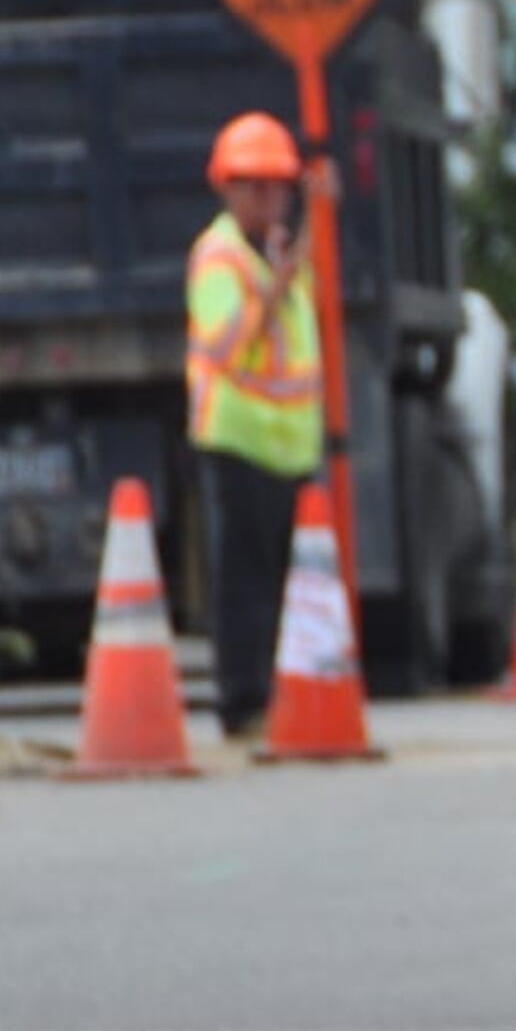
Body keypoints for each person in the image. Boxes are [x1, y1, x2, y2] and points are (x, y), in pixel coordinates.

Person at [186, 112, 324, 742]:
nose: (270, 197)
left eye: (279, 185)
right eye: (255, 185)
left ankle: (284, 699)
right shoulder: (220, 257)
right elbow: (228, 345)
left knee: (282, 587)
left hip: (287, 448)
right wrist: (281, 284)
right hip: (240, 442)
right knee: (244, 588)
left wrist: (317, 219)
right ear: (227, 187)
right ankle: (243, 707)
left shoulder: (270, 251)